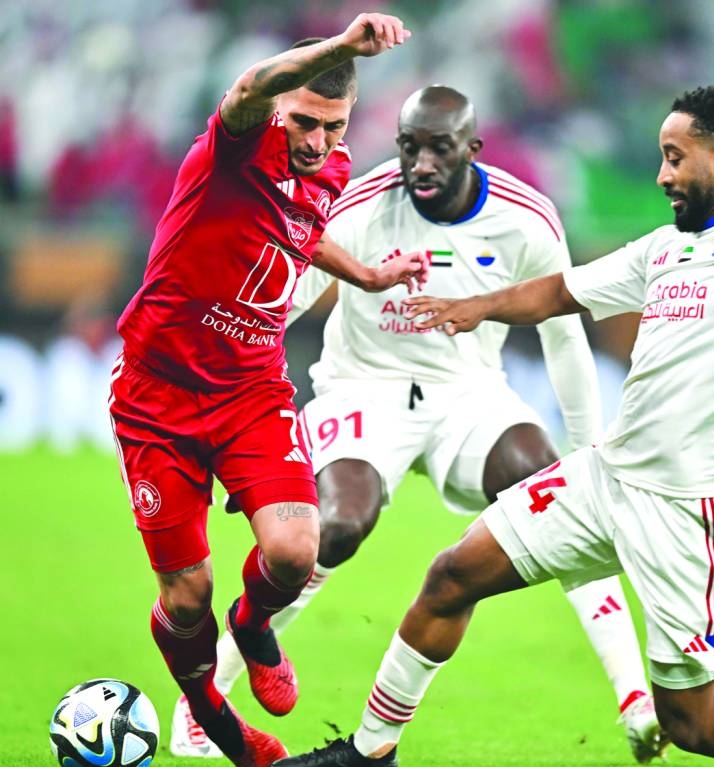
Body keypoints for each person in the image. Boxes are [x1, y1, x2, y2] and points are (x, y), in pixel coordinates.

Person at [275, 69, 714, 767]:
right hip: (606, 476)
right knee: (451, 575)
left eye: (675, 158)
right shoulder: (665, 248)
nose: (661, 175)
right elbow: (560, 291)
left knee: (697, 724)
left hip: (685, 506)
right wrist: (477, 306)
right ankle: (369, 753)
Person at [171, 84, 666, 764]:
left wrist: (590, 451)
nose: (421, 164)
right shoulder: (365, 202)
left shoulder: (527, 219)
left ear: (473, 149)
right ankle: (205, 699)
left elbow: (564, 339)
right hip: (363, 387)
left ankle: (635, 699)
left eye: (439, 148)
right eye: (410, 148)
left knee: (557, 489)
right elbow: (287, 303)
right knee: (336, 527)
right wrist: (238, 419)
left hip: (467, 392)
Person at [107, 14, 427, 767]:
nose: (318, 141)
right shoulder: (238, 141)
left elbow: (301, 230)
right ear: (281, 108)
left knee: (294, 549)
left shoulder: (332, 167)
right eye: (307, 122)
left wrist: (369, 275)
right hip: (158, 396)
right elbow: (254, 82)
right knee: (186, 599)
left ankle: (253, 627)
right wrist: (346, 46)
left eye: (334, 126)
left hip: (251, 390)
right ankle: (217, 721)